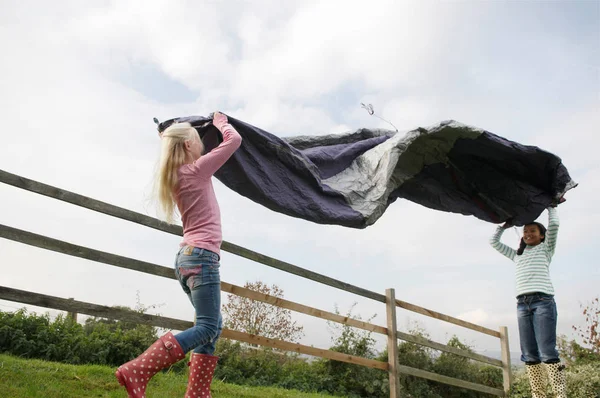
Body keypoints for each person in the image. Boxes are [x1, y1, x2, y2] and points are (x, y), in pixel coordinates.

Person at [115, 112, 242, 398]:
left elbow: (173, 146)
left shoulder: (173, 175)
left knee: (212, 324)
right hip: (202, 258)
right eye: (198, 142)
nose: (202, 147)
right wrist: (221, 122)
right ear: (186, 147)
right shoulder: (196, 170)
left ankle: (197, 393)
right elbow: (234, 140)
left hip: (186, 260)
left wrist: (167, 135)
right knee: (209, 326)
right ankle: (138, 369)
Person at [490, 204, 566, 398]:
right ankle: (538, 395)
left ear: (542, 235)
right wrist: (503, 227)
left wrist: (551, 206)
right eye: (525, 231)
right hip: (522, 304)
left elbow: (555, 224)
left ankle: (560, 394)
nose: (528, 233)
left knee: (547, 351)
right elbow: (493, 242)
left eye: (533, 230)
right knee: (529, 354)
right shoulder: (517, 255)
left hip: (543, 301)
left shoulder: (546, 249)